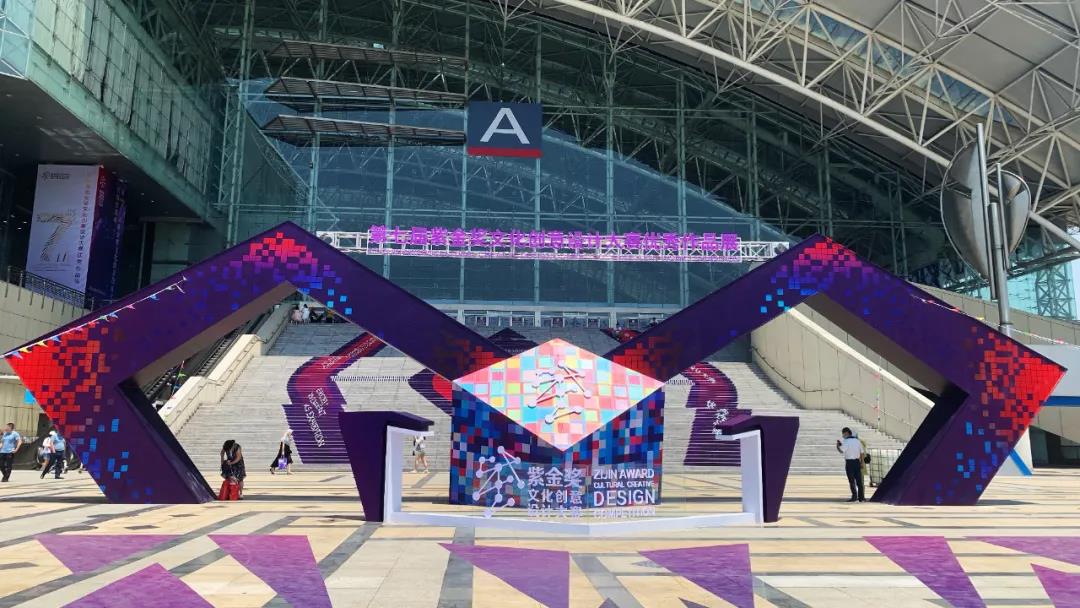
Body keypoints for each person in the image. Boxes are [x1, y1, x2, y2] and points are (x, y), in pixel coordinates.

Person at [836, 427, 865, 502]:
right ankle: (861, 497)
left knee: (851, 481)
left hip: (849, 463)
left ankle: (854, 496)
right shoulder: (857, 441)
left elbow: (841, 451)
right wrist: (862, 462)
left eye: (843, 434)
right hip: (857, 462)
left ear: (846, 433)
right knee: (859, 481)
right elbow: (862, 453)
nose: (843, 435)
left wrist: (838, 446)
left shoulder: (846, 441)